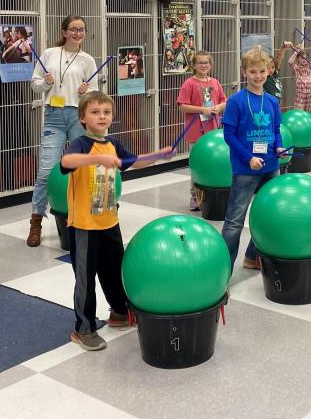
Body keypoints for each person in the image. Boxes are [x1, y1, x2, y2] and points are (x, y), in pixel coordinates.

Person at [60, 90, 171, 351]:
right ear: (83, 118)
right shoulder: (81, 144)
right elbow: (66, 162)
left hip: (110, 221)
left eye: (106, 112)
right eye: (95, 112)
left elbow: (131, 162)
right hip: (84, 226)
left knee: (114, 271)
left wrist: (156, 155)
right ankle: (83, 329)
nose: (102, 116)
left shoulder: (112, 143)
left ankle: (119, 312)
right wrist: (97, 158)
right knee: (86, 280)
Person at [27, 15, 98, 247]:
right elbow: (35, 83)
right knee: (46, 171)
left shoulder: (87, 60)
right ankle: (36, 221)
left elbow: (94, 94)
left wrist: (86, 90)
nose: (78, 34)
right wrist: (46, 82)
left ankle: (86, 216)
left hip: (79, 116)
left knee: (83, 169)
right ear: (64, 31)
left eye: (82, 30)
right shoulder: (49, 54)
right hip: (54, 117)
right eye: (74, 29)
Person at [221, 47, 285, 274]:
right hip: (245, 169)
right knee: (235, 221)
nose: (258, 76)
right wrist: (248, 159)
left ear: (269, 71)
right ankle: (223, 271)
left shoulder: (272, 101)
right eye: (252, 72)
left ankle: (251, 256)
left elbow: (276, 129)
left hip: (271, 166)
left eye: (261, 71)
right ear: (244, 72)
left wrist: (278, 146)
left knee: (268, 216)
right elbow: (229, 135)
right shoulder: (237, 101)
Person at [177, 51, 227, 211]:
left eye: (206, 63)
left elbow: (224, 100)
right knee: (197, 164)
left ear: (211, 65)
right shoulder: (189, 84)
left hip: (213, 130)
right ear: (194, 66)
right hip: (195, 131)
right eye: (200, 63)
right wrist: (201, 110)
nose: (203, 65)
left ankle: (210, 193)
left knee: (212, 162)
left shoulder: (215, 82)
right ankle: (195, 195)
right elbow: (182, 105)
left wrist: (219, 107)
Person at [289, 39, 311, 111]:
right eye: (301, 58)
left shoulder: (309, 66)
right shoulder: (297, 68)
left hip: (309, 93)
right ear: (297, 59)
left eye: (305, 58)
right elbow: (290, 62)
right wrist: (296, 51)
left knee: (308, 111)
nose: (304, 60)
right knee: (299, 111)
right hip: (300, 94)